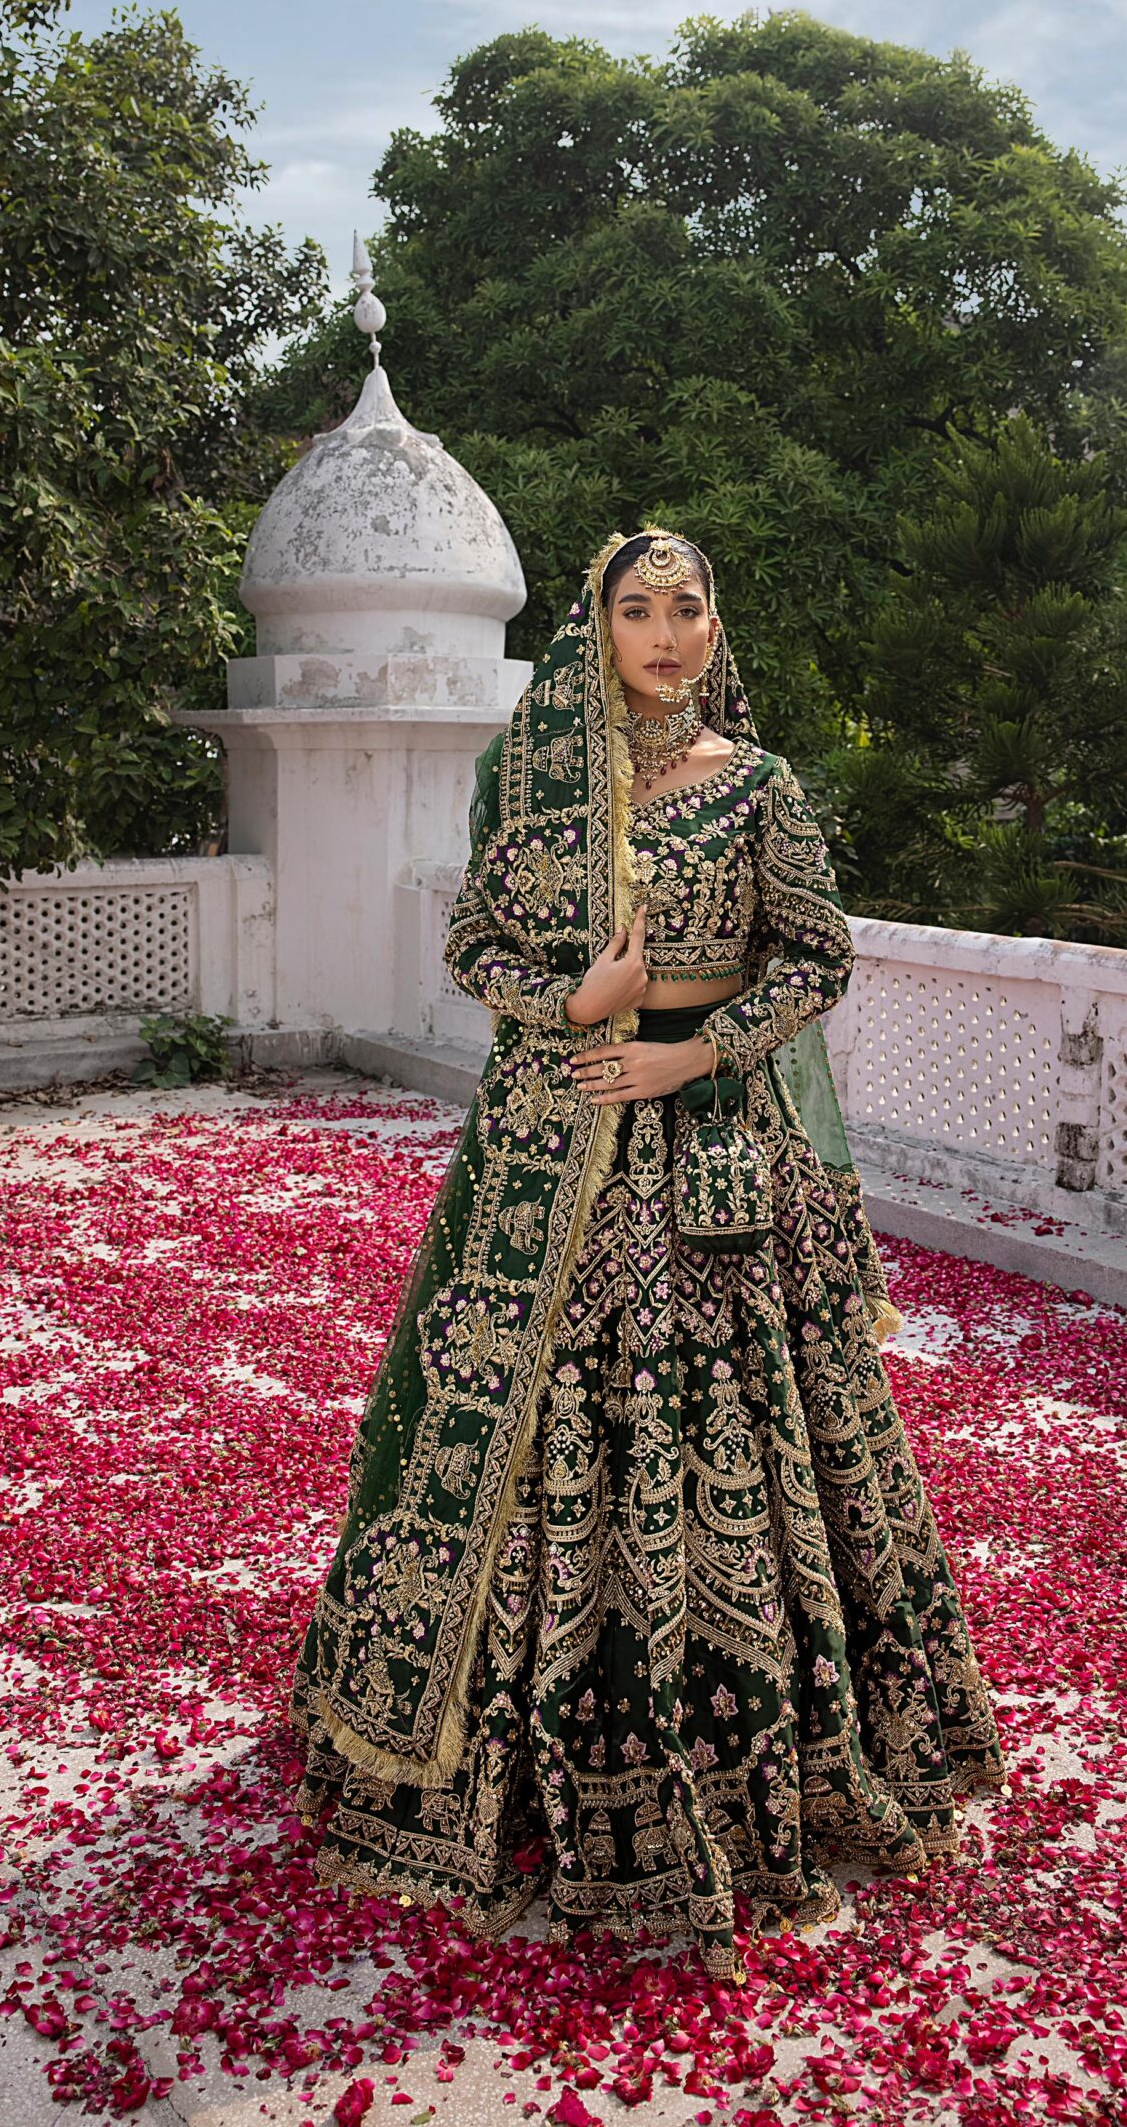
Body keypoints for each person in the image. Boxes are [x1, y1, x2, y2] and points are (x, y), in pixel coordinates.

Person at [288, 527, 1004, 1980]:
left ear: (715, 626)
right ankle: (492, 1756)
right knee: (533, 1420)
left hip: (717, 1148)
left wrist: (692, 1053)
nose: (665, 634)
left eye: (688, 610)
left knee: (729, 1423)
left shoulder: (759, 786)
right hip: (553, 1149)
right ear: (596, 626)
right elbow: (476, 943)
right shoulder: (537, 779)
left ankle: (756, 1756)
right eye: (637, 609)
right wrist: (572, 1007)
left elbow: (818, 957)